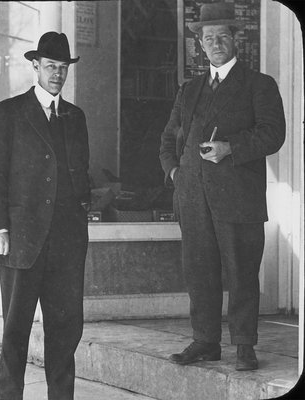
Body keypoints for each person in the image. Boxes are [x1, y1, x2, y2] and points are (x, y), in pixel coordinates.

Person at [159, 2, 285, 371]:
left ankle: (244, 345)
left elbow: (273, 134)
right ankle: (206, 341)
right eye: (207, 38)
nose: (215, 43)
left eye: (221, 36)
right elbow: (169, 138)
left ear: (235, 39)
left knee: (241, 272)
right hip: (193, 199)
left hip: (238, 199)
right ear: (200, 45)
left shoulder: (259, 85)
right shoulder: (189, 89)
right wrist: (175, 174)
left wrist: (231, 148)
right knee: (199, 272)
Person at [0, 32, 90, 399]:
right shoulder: (8, 112)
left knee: (64, 333)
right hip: (20, 242)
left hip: (65, 246)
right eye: (50, 67)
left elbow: (80, 176)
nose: (57, 74)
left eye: (63, 68)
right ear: (35, 67)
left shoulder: (75, 117)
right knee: (15, 333)